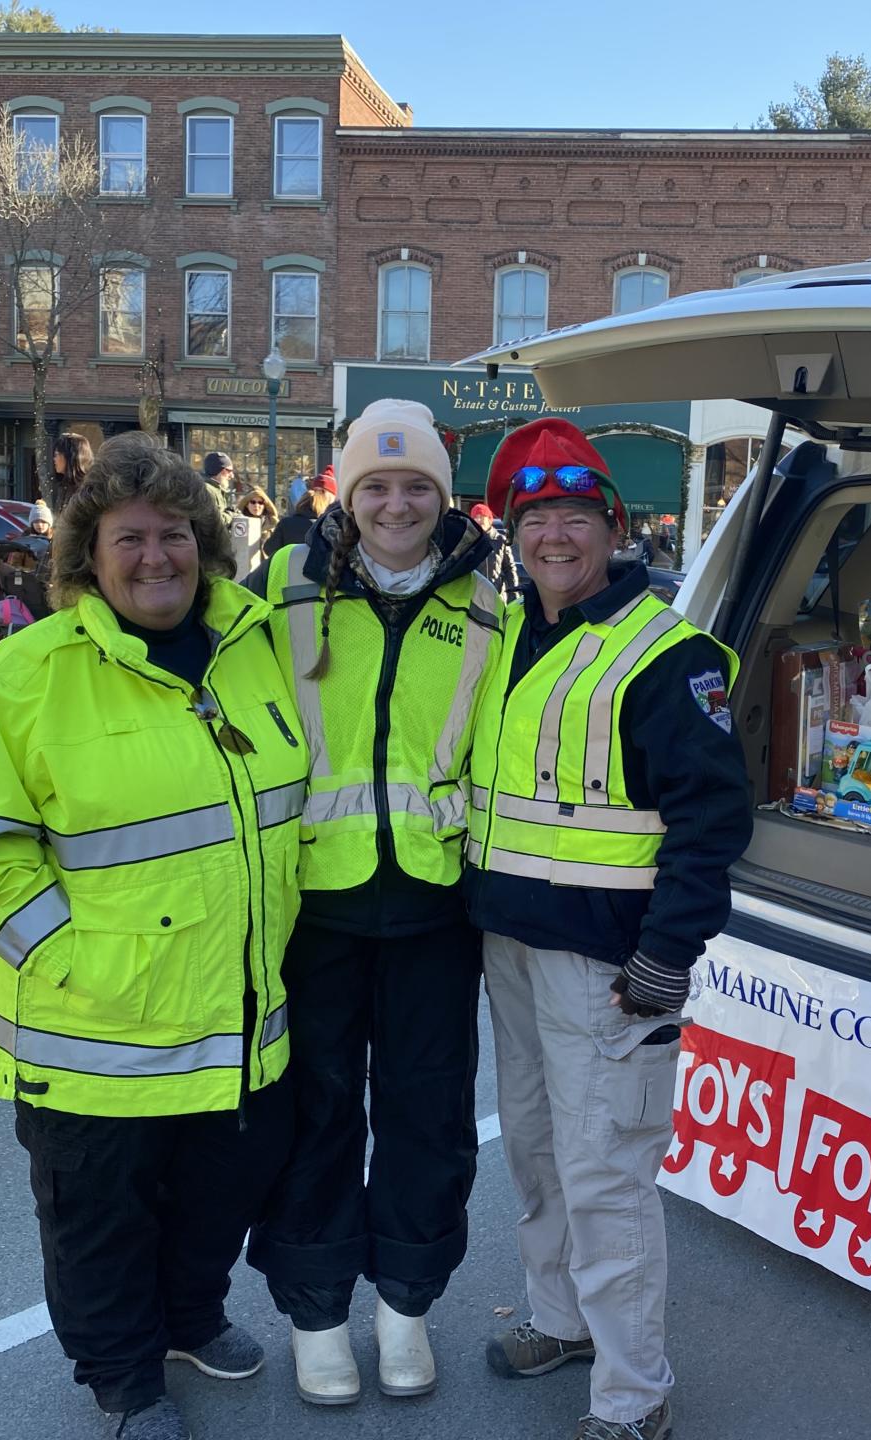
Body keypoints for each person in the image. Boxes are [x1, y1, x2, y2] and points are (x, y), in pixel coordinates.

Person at [0, 434, 309, 1440]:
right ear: (88, 556)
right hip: (93, 1035)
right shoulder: (29, 676)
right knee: (100, 1222)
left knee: (220, 1197)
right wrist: (78, 968)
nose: (155, 558)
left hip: (234, 1015)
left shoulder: (255, 650)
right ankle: (125, 1380)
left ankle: (188, 1319)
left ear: (206, 546)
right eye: (128, 538)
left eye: (174, 534)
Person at [468, 419, 752, 1440]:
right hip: (513, 946)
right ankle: (563, 1320)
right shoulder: (509, 635)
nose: (553, 534)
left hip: (613, 964)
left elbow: (713, 822)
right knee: (540, 1154)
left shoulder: (668, 657)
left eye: (573, 515)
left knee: (607, 1171)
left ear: (613, 525)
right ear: (511, 532)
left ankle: (633, 1400)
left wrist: (668, 957)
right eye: (533, 516)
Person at [250, 399, 502, 1406]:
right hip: (314, 905)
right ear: (347, 495)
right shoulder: (287, 584)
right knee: (311, 1116)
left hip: (437, 909)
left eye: (416, 486)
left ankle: (405, 1305)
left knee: (428, 1115)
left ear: (442, 495)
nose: (396, 504)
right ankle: (316, 1312)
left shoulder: (490, 595)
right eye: (375, 486)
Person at [262, 469, 335, 559]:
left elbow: (269, 549)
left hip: (288, 569)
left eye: (322, 491)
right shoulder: (326, 526)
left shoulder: (286, 523)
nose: (318, 494)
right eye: (316, 490)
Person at [469, 501, 521, 599]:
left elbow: (509, 569)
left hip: (496, 596)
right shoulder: (469, 541)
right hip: (474, 597)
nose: (478, 520)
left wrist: (514, 594)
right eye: (475, 517)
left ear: (489, 519)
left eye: (481, 516)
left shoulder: (500, 540)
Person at [54, 432, 93, 509]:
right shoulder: (64, 486)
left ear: (70, 457)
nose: (54, 459)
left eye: (56, 455)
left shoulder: (87, 492)